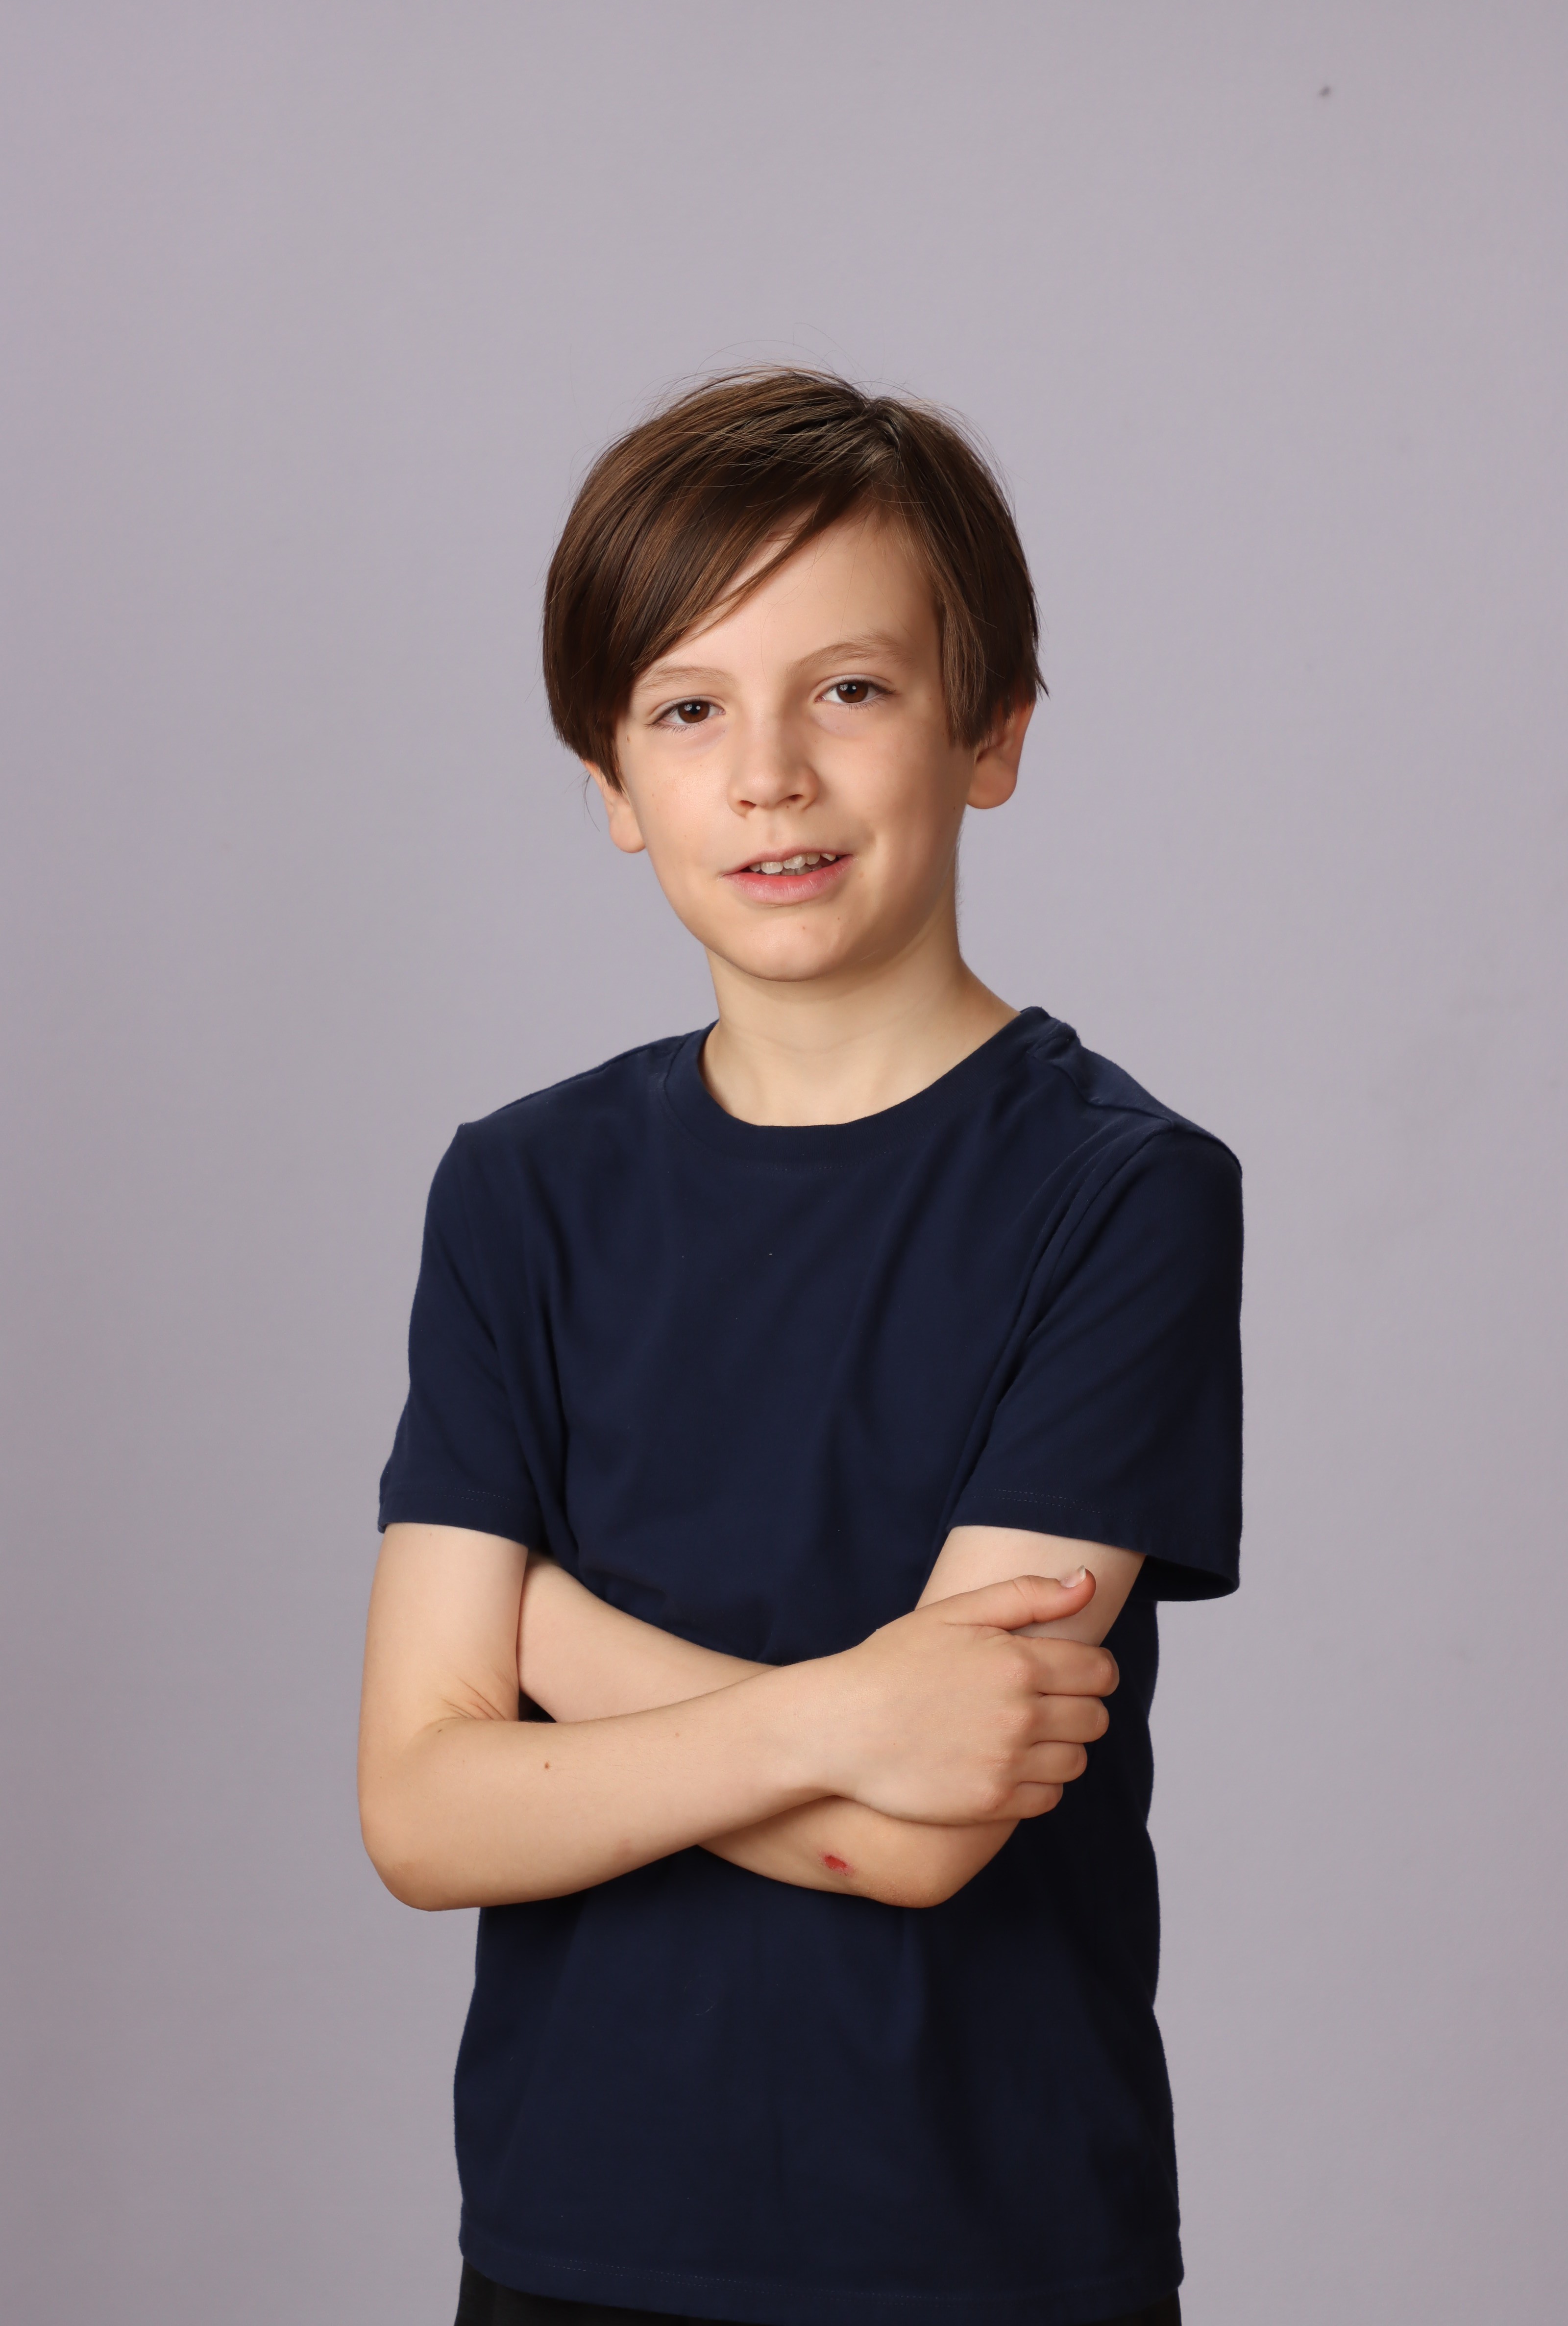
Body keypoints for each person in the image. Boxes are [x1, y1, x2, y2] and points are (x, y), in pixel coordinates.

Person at [358, 369, 1243, 2326]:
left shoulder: (1123, 1195)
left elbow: (923, 1839)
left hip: (986, 2254)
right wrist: (844, 1717)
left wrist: (545, 1643)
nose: (767, 773)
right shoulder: (519, 1191)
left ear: (989, 733)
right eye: (687, 709)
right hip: (569, 2237)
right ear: (612, 782)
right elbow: (419, 1817)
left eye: (847, 689)